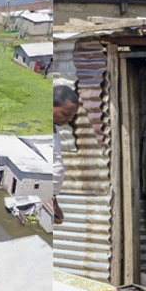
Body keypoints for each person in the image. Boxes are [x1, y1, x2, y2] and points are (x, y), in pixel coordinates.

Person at [52, 84, 80, 225]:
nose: (69, 119)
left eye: (72, 116)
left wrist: (54, 202)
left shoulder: (56, 129)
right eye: (65, 114)